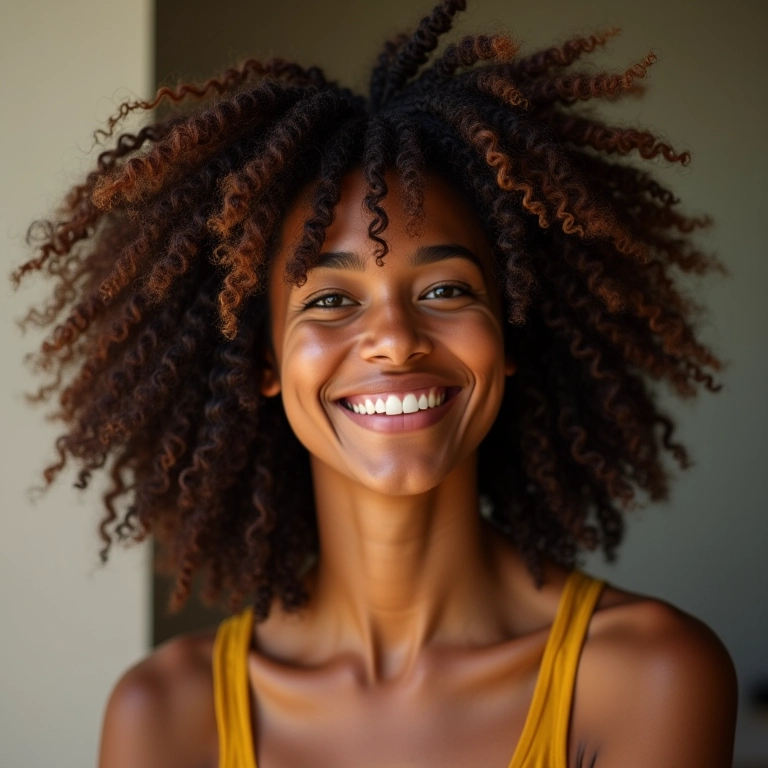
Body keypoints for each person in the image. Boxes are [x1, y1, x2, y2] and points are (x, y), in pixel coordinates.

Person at [11, 1, 737, 765]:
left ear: (509, 332)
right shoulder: (164, 717)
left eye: (446, 290)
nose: (394, 341)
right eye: (329, 300)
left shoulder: (645, 677)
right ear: (263, 361)